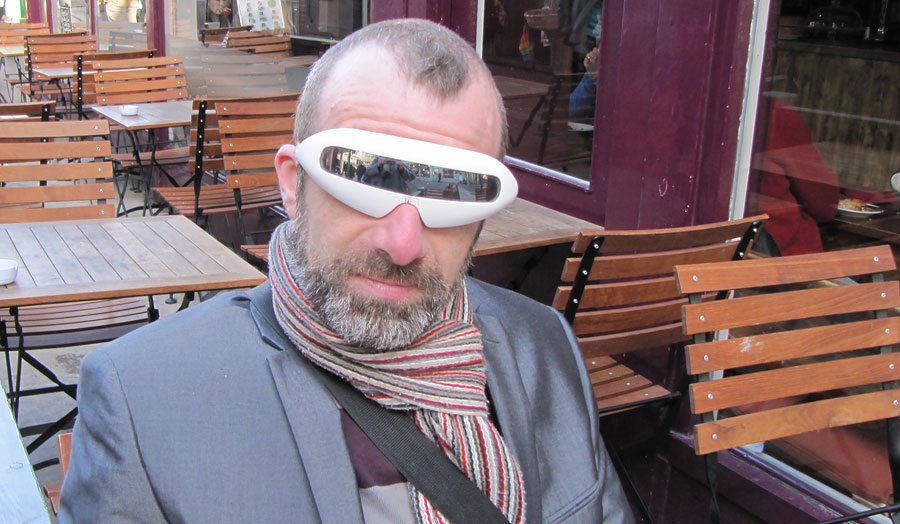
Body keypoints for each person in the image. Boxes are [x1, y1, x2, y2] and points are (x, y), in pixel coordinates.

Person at [59, 19, 633, 524]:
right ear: (293, 180)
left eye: (453, 193)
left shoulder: (543, 347)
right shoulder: (147, 400)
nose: (402, 243)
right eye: (362, 177)